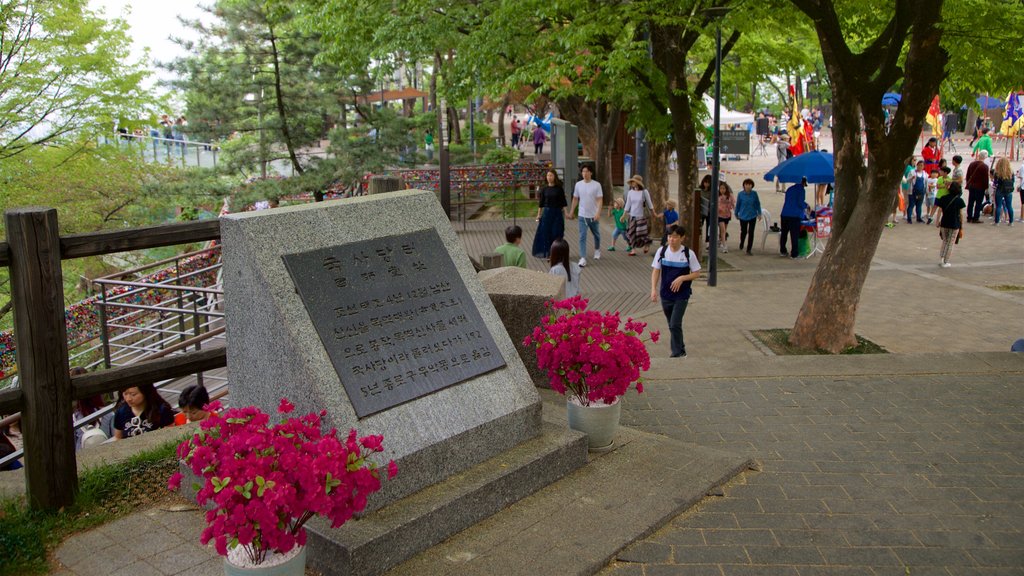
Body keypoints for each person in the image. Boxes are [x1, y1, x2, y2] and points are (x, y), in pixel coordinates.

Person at [650, 225, 702, 359]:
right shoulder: (662, 251)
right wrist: (653, 290)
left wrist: (682, 278)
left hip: (682, 295)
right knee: (672, 325)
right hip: (666, 294)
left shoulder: (688, 254)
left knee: (674, 324)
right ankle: (681, 349)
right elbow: (656, 271)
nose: (671, 239)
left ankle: (677, 353)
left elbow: (696, 273)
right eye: (669, 236)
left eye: (675, 237)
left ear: (682, 238)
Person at [569, 165, 603, 267]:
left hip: (593, 215)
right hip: (582, 215)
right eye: (583, 172)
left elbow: (600, 200)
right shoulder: (578, 185)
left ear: (591, 173)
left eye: (587, 171)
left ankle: (597, 250)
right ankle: (583, 258)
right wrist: (571, 212)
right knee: (582, 236)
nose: (585, 173)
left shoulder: (597, 185)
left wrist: (598, 213)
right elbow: (575, 199)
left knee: (596, 234)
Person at [532, 169, 568, 258]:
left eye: (551, 175)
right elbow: (541, 203)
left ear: (554, 177)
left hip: (557, 213)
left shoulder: (559, 189)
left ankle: (557, 251)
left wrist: (566, 213)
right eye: (548, 176)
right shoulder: (544, 189)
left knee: (557, 232)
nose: (549, 177)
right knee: (546, 232)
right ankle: (548, 252)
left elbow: (563, 202)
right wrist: (539, 214)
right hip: (547, 213)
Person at [934, 182, 966, 268]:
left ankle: (941, 258)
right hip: (954, 223)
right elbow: (961, 214)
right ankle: (946, 261)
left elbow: (940, 210)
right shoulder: (960, 200)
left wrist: (937, 221)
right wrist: (961, 226)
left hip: (944, 222)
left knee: (945, 240)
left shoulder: (943, 198)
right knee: (950, 242)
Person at [622, 175, 655, 256]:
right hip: (632, 216)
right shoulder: (630, 192)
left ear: (638, 183)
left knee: (641, 233)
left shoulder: (644, 192)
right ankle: (633, 249)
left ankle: (647, 244)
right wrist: (623, 215)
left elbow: (649, 204)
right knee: (631, 233)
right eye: (632, 182)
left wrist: (653, 213)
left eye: (634, 181)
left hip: (642, 216)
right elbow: (627, 204)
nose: (632, 183)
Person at [780, 178, 808, 259]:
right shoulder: (801, 190)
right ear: (803, 183)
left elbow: (789, 200)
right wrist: (806, 206)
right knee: (794, 235)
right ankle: (794, 253)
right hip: (794, 215)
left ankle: (783, 251)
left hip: (785, 213)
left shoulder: (789, 189)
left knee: (784, 233)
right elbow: (800, 202)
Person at [735, 178, 762, 255]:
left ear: (752, 186)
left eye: (750, 184)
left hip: (752, 215)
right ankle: (742, 242)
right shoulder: (740, 194)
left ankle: (749, 249)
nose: (748, 186)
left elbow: (757, 204)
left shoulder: (754, 194)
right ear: (744, 185)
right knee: (744, 231)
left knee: (751, 232)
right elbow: (738, 205)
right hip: (743, 216)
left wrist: (759, 213)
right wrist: (736, 213)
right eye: (746, 184)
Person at [965, 150, 990, 223]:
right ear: (985, 157)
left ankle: (969, 217)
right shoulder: (985, 166)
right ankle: (976, 217)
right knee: (978, 203)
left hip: (971, 186)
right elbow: (985, 178)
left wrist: (968, 183)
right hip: (980, 187)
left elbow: (968, 175)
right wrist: (986, 187)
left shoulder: (972, 164)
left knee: (970, 202)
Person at [991, 157, 1015, 226]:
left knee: (998, 206)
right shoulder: (1011, 172)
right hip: (1008, 190)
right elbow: (1013, 181)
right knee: (1009, 206)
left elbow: (995, 182)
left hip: (1000, 189)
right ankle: (1011, 222)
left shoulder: (997, 172)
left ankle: (997, 222)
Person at [716, 181, 736, 253]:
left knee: (724, 230)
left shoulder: (730, 196)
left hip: (727, 215)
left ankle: (721, 240)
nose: (722, 190)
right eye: (721, 188)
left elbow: (733, 204)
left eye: (724, 188)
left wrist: (736, 213)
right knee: (723, 230)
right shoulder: (717, 196)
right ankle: (725, 245)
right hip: (719, 215)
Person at [697, 174, 713, 240]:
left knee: (709, 227)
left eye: (708, 183)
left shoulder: (712, 191)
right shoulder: (700, 189)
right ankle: (698, 238)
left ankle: (708, 241)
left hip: (709, 212)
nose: (706, 184)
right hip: (701, 211)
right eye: (705, 182)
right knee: (699, 225)